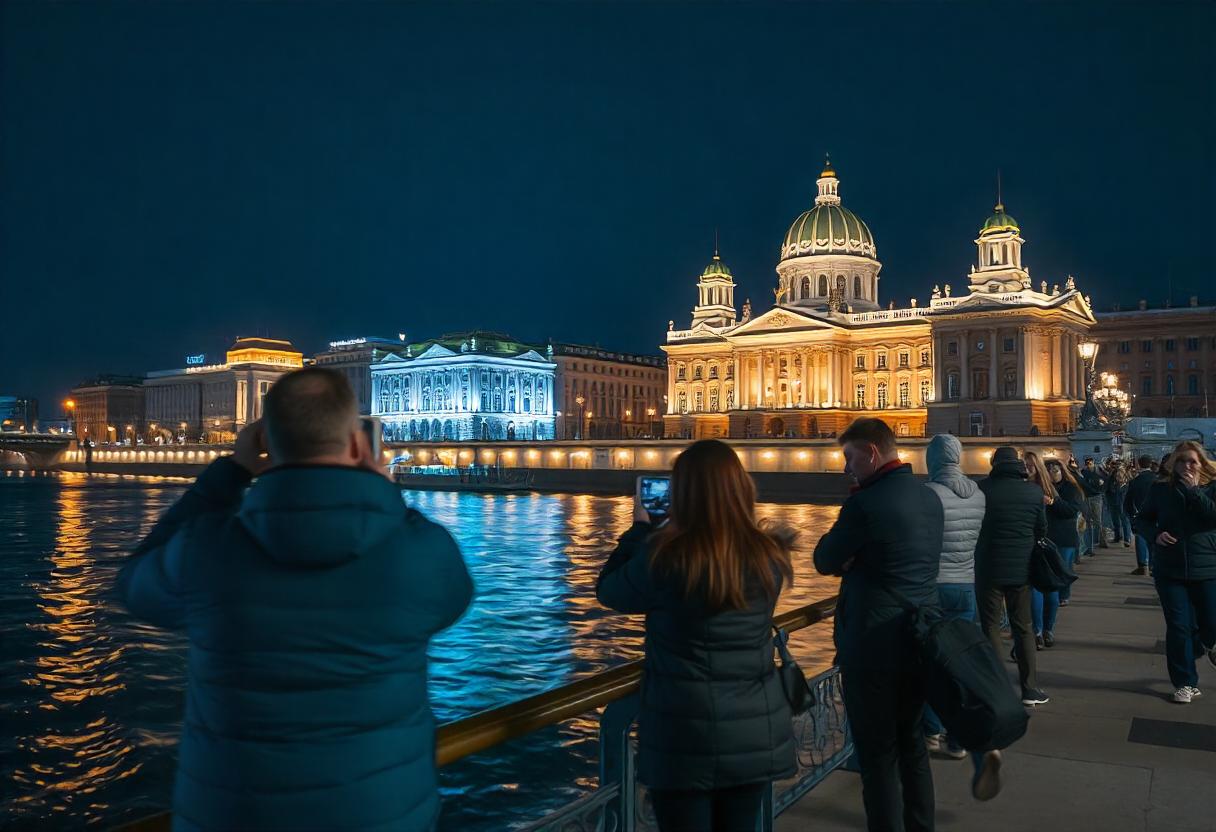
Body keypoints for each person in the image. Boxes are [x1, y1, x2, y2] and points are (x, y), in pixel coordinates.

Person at [116, 367, 474, 831]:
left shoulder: (206, 548)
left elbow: (134, 584)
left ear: (265, 442)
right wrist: (378, 488)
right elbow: (455, 598)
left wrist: (228, 475)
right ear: (359, 443)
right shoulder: (418, 549)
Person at [597, 439, 796, 831]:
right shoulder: (770, 555)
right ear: (740, 488)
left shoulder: (666, 557)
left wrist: (639, 530)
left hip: (682, 736)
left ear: (682, 495)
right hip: (754, 732)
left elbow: (609, 591)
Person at [813, 417, 964, 828]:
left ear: (872, 453)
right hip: (919, 636)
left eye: (849, 457)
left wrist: (851, 557)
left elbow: (824, 558)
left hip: (873, 644)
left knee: (878, 754)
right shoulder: (929, 498)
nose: (846, 467)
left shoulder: (865, 504)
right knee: (912, 744)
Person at [1131, 441, 1216, 704]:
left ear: (1202, 463)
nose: (1187, 466)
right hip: (1170, 568)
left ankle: (1203, 645)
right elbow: (1140, 519)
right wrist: (1155, 534)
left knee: (1210, 624)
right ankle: (1185, 682)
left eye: (1192, 461)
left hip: (1208, 566)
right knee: (1178, 627)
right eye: (1182, 461)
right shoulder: (1160, 490)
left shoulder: (1211, 489)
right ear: (1173, 464)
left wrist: (1194, 492)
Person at [921, 434, 986, 762]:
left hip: (933, 588)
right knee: (959, 663)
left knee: (932, 662)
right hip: (965, 586)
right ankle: (959, 737)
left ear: (932, 459)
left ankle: (931, 731)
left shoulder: (928, 494)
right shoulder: (977, 494)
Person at [975, 446, 1050, 706]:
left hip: (988, 568)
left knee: (991, 627)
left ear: (994, 463)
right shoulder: (1033, 492)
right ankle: (1029, 689)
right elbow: (1041, 529)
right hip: (1021, 569)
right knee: (1024, 628)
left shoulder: (981, 489)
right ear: (1017, 464)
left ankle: (998, 688)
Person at [1036, 456, 1084, 640]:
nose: (1051, 474)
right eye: (1048, 471)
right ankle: (1044, 625)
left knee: (1062, 570)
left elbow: (1071, 511)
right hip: (1045, 538)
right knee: (1051, 577)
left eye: (1055, 470)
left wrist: (1053, 502)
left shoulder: (1071, 488)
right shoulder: (1038, 488)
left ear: (1061, 471)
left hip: (1064, 537)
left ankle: (1062, 597)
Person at [1124, 454, 1158, 576]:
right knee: (1155, 540)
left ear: (1139, 464)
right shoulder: (1157, 479)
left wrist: (1131, 515)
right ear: (1150, 464)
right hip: (1156, 514)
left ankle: (1142, 565)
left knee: (1141, 538)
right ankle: (1154, 565)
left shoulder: (1135, 481)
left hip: (1140, 514)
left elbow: (1128, 501)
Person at [1078, 457, 1109, 555]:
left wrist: (1101, 489)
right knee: (1088, 521)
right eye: (1087, 463)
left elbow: (1105, 481)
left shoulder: (1100, 471)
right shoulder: (1083, 472)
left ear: (1093, 462)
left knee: (1097, 520)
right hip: (1087, 497)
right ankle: (1091, 545)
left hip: (1096, 496)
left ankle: (1100, 540)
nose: (1089, 465)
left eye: (1090, 463)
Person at [1106, 460, 1133, 548]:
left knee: (1123, 520)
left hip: (1121, 500)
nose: (1116, 466)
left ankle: (1126, 539)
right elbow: (1108, 487)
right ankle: (1119, 537)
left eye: (1118, 465)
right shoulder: (1112, 475)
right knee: (1117, 520)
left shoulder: (1126, 476)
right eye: (1116, 465)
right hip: (1114, 500)